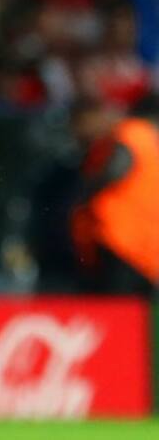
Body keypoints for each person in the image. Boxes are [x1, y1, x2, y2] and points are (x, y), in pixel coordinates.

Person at [69, 96, 159, 295]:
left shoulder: (129, 134)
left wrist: (84, 192)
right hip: (143, 247)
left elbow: (115, 170)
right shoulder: (147, 137)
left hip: (120, 241)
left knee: (117, 312)